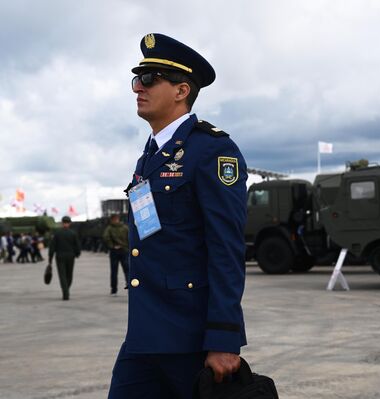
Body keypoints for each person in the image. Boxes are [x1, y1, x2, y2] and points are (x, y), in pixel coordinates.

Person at [108, 33, 248, 399]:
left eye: (150, 79)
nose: (138, 87)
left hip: (190, 338)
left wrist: (224, 338)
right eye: (137, 79)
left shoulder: (212, 150)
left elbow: (226, 248)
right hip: (144, 333)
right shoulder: (151, 155)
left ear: (181, 90)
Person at [48, 216, 81, 300]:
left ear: (62, 223)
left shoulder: (57, 234)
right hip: (70, 256)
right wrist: (77, 254)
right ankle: (67, 290)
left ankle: (65, 292)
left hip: (60, 256)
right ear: (69, 223)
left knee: (62, 275)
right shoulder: (73, 233)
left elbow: (52, 247)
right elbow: (77, 245)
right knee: (69, 275)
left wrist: (50, 259)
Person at [102, 214, 130, 296]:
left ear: (112, 219)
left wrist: (112, 246)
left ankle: (114, 290)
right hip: (124, 251)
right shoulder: (125, 227)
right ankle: (130, 288)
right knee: (127, 270)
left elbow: (105, 237)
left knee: (114, 271)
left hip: (114, 251)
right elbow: (129, 238)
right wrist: (127, 247)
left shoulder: (109, 228)